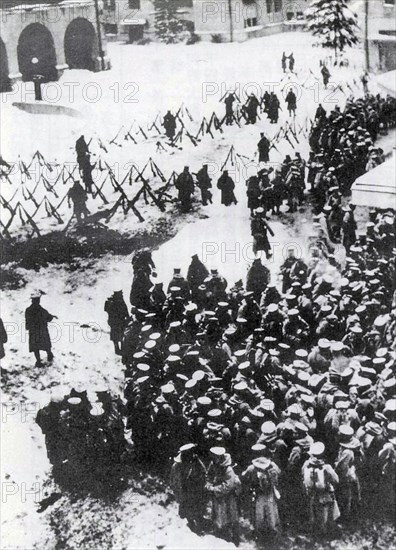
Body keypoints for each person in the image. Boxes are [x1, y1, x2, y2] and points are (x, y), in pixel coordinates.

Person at [302, 442, 340, 536]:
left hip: (311, 492)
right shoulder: (326, 467)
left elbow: (302, 475)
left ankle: (314, 530)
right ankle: (325, 532)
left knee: (313, 511)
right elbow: (336, 480)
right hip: (325, 493)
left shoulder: (306, 464)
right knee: (326, 513)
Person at [242, 452, 281, 541]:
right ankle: (271, 533)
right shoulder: (272, 466)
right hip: (268, 494)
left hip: (260, 494)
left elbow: (244, 476)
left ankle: (260, 534)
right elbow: (279, 473)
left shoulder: (252, 468)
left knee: (260, 514)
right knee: (270, 514)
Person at [206, 446, 241, 545]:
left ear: (219, 457)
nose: (213, 458)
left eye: (215, 457)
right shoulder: (213, 464)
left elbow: (227, 486)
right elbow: (208, 475)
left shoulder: (229, 470)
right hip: (219, 495)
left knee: (232, 515)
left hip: (229, 495)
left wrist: (213, 489)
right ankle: (222, 534)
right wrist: (208, 484)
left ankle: (235, 538)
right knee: (219, 515)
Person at [170, 443, 207, 534]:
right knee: (186, 508)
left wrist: (200, 482)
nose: (192, 455)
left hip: (195, 489)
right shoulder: (177, 465)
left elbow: (203, 471)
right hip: (184, 490)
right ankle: (191, 524)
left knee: (197, 507)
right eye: (189, 453)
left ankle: (199, 523)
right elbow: (175, 481)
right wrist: (179, 493)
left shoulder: (195, 460)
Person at [25, 291, 57, 367]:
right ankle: (49, 355)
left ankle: (38, 361)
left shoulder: (28, 310)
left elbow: (27, 321)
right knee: (46, 344)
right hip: (42, 331)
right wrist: (52, 316)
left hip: (33, 331)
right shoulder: (42, 310)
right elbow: (48, 318)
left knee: (35, 347)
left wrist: (28, 327)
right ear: (38, 300)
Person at [104, 291, 129, 355]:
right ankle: (120, 349)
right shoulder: (119, 301)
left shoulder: (110, 301)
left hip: (114, 322)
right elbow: (125, 310)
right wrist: (127, 317)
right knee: (120, 335)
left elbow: (106, 310)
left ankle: (118, 349)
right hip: (119, 321)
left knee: (116, 336)